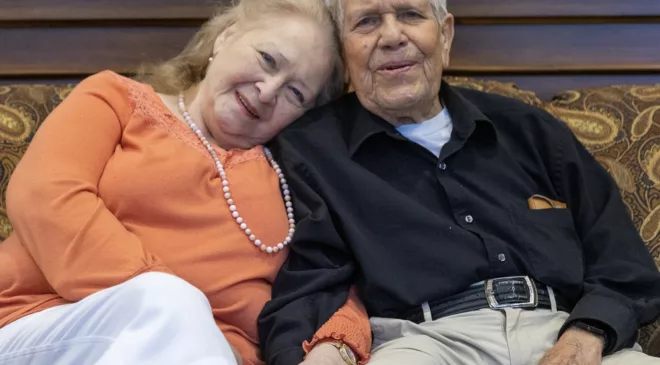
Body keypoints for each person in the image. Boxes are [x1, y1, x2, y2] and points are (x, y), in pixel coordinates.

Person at [257, 0, 660, 364]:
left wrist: (585, 335)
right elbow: (310, 279)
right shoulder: (312, 150)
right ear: (345, 52)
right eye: (366, 22)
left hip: (564, 333)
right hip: (424, 342)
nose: (393, 36)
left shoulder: (529, 130)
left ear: (445, 34)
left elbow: (623, 263)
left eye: (411, 15)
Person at [0, 1, 373, 364]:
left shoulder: (295, 179)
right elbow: (45, 197)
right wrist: (176, 305)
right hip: (44, 322)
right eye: (268, 59)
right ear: (227, 36)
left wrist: (336, 344)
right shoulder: (116, 100)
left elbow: (330, 275)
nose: (267, 91)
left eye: (295, 93)